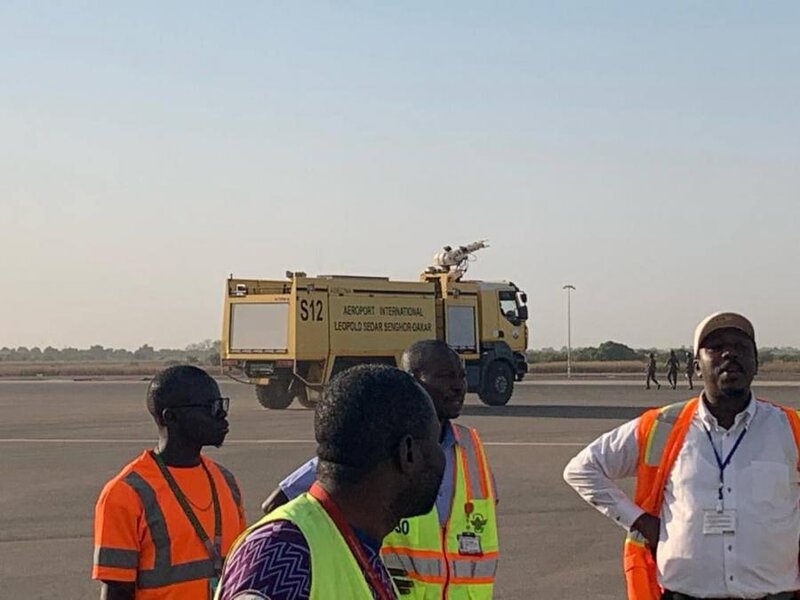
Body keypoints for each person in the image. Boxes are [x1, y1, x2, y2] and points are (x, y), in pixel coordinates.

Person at [563, 312, 800, 600]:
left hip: (774, 594)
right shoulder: (662, 426)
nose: (729, 353)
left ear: (756, 364)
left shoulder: (790, 428)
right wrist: (640, 522)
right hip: (684, 594)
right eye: (715, 347)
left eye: (741, 347)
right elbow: (581, 469)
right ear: (697, 366)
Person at [259, 340, 500, 600]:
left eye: (461, 377)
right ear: (412, 381)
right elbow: (280, 503)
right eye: (445, 376)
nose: (458, 386)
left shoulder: (470, 449)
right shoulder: (372, 445)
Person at [215, 364, 446, 600]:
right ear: (407, 453)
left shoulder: (360, 549)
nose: (442, 457)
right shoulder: (281, 552)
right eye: (435, 444)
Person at [92, 365, 246, 600]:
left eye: (223, 405)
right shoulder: (126, 494)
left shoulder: (226, 482)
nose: (222, 415)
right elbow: (117, 591)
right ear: (171, 417)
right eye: (212, 407)